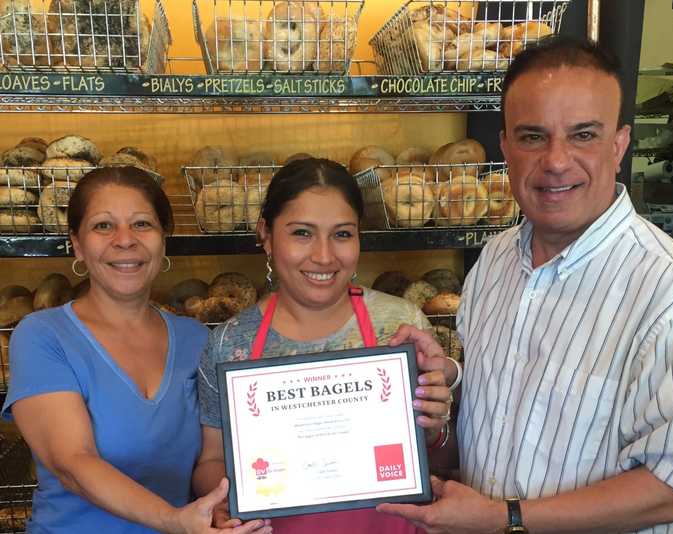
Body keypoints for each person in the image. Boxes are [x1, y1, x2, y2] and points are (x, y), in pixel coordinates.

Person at [378, 37, 673, 533]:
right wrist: (439, 398)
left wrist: (503, 520)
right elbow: (492, 433)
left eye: (583, 135)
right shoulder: (494, 261)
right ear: (505, 149)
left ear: (620, 145)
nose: (556, 161)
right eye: (533, 136)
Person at [1, 167, 271, 534]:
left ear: (163, 239)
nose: (125, 240)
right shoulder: (42, 336)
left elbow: (210, 458)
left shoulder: (196, 339)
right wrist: (173, 520)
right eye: (103, 226)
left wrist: (221, 508)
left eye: (142, 224)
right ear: (77, 243)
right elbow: (72, 463)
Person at [192, 158, 455, 534]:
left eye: (342, 234)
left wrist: (436, 424)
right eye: (302, 233)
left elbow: (442, 457)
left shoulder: (401, 325)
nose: (324, 256)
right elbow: (212, 460)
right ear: (265, 234)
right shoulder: (229, 342)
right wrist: (221, 505)